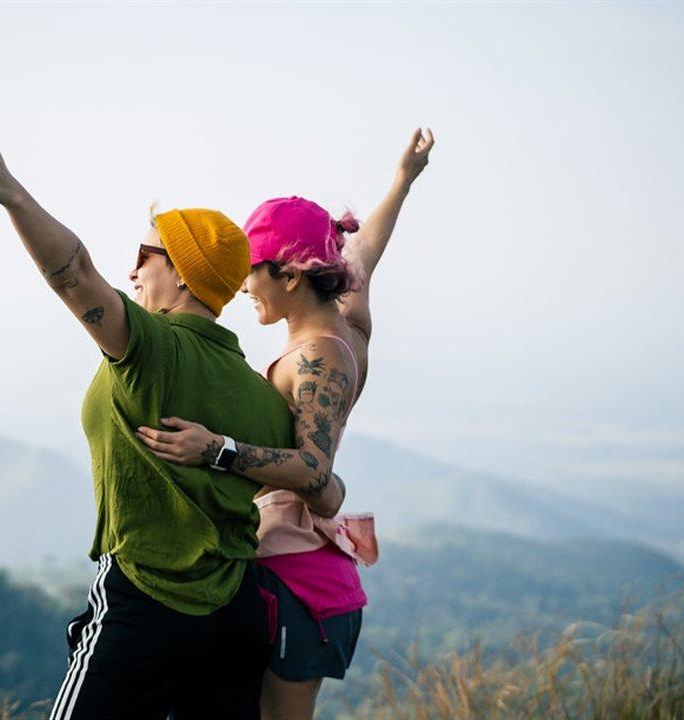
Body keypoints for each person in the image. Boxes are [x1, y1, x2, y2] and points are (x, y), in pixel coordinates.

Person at [0, 117, 296, 720]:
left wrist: (13, 196)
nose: (132, 271)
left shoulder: (150, 348)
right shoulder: (264, 396)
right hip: (235, 612)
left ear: (183, 273)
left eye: (144, 255)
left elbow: (75, 274)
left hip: (146, 603)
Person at [135, 128, 435, 720]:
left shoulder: (318, 356)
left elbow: (315, 470)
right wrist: (403, 180)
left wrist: (215, 449)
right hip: (299, 568)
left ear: (292, 275)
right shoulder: (348, 320)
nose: (244, 286)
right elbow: (363, 252)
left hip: (297, 576)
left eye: (253, 271)